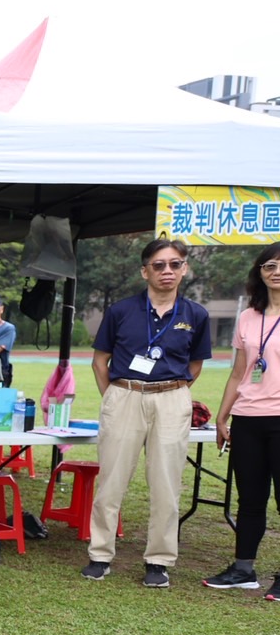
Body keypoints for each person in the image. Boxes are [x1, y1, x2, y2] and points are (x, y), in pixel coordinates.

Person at [80, 238, 211, 588]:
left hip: (171, 398)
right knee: (111, 481)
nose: (167, 271)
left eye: (174, 264)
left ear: (184, 268)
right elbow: (100, 361)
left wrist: (174, 392)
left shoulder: (195, 314)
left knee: (166, 483)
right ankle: (100, 554)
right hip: (124, 395)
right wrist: (115, 397)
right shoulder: (121, 311)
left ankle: (159, 560)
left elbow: (195, 364)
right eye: (158, 265)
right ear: (145, 271)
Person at [202, 243, 280, 600]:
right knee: (250, 498)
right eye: (269, 266)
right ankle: (243, 569)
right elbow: (238, 372)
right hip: (247, 418)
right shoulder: (249, 316)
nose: (276, 272)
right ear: (259, 273)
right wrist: (222, 415)